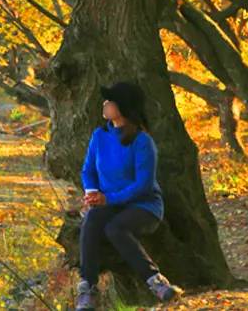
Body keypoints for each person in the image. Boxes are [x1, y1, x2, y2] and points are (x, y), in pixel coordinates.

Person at [75, 81, 183, 310]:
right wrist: (92, 193)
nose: (104, 104)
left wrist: (108, 199)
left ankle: (157, 282)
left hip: (144, 206)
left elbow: (143, 186)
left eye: (110, 101)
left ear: (123, 106)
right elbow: (88, 171)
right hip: (111, 203)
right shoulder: (99, 136)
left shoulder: (143, 142)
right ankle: (88, 288)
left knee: (115, 227)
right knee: (92, 219)